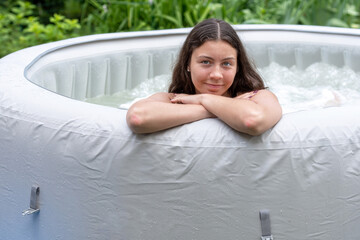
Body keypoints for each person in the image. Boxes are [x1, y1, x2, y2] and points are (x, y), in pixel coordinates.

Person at [126, 18, 282, 135]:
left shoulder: (257, 97)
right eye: (206, 62)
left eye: (227, 64)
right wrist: (211, 108)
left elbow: (253, 120)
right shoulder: (173, 99)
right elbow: (138, 118)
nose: (216, 74)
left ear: (238, 67)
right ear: (188, 63)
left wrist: (203, 99)